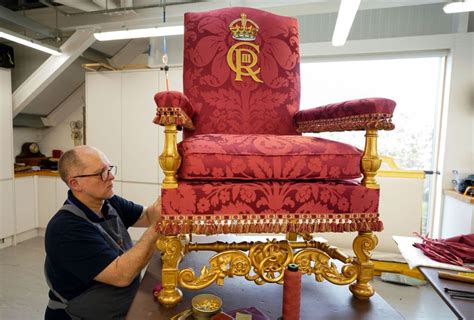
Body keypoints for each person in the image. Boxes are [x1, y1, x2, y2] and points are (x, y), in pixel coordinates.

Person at [44, 146, 161, 320]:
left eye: (110, 169)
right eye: (102, 173)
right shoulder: (65, 228)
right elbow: (121, 275)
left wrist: (167, 200)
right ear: (75, 183)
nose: (111, 177)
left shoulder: (108, 202)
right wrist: (159, 226)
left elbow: (146, 216)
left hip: (119, 309)